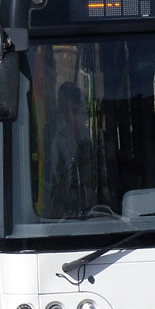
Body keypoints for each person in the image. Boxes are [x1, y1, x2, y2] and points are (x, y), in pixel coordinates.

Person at [43, 82, 94, 218]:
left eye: (81, 111)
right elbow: (49, 179)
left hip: (85, 206)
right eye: (75, 111)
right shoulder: (51, 134)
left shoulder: (85, 134)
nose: (81, 117)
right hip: (58, 210)